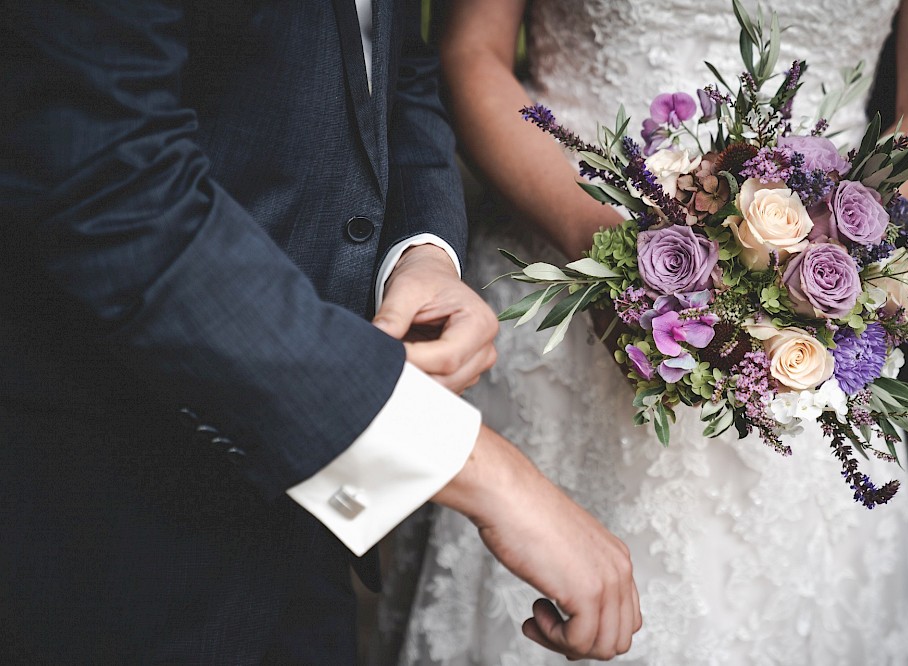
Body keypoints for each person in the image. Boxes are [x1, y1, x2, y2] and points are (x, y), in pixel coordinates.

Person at [0, 1, 640, 663]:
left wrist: (421, 252)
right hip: (109, 501)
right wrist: (480, 470)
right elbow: (111, 187)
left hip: (313, 513)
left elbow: (394, 70)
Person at [388, 0, 908, 663]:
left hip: (811, 326)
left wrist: (824, 243)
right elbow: (469, 52)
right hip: (562, 284)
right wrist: (618, 252)